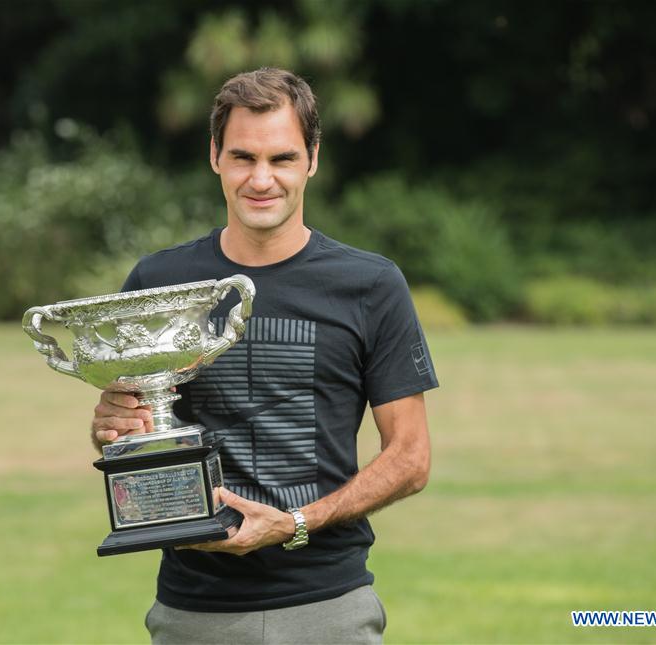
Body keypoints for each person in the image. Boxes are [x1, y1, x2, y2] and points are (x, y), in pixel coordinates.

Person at [91, 67, 439, 644]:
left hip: (327, 608)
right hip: (193, 612)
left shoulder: (371, 285)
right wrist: (112, 427)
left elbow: (411, 457)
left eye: (281, 158)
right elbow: (133, 438)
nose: (261, 179)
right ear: (215, 157)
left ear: (312, 160)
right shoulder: (159, 284)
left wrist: (296, 523)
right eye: (242, 157)